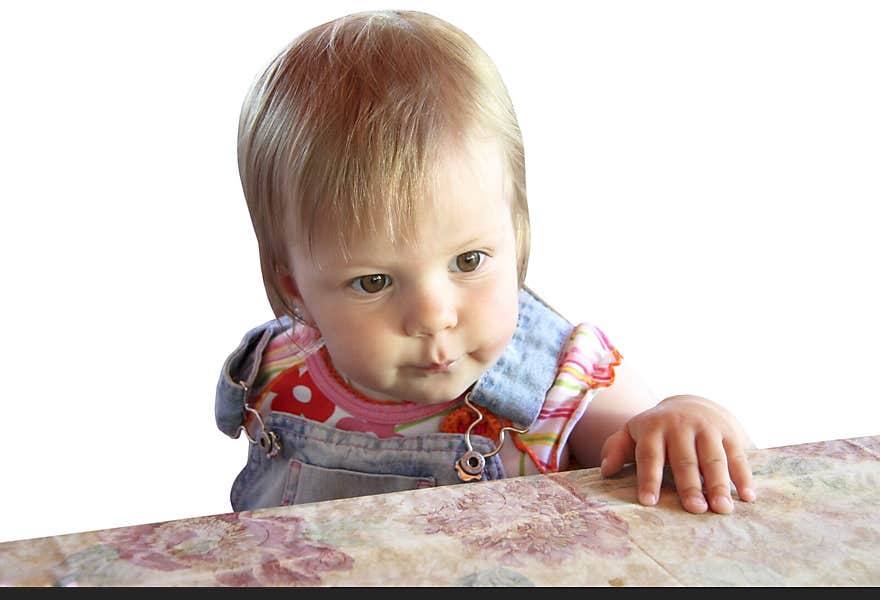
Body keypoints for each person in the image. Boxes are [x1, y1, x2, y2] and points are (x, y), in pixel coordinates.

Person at [215, 9, 756, 515]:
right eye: (373, 281)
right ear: (296, 291)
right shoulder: (274, 376)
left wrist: (684, 421)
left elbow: (648, 454)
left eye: (468, 260)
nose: (433, 316)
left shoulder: (556, 382)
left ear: (516, 237)